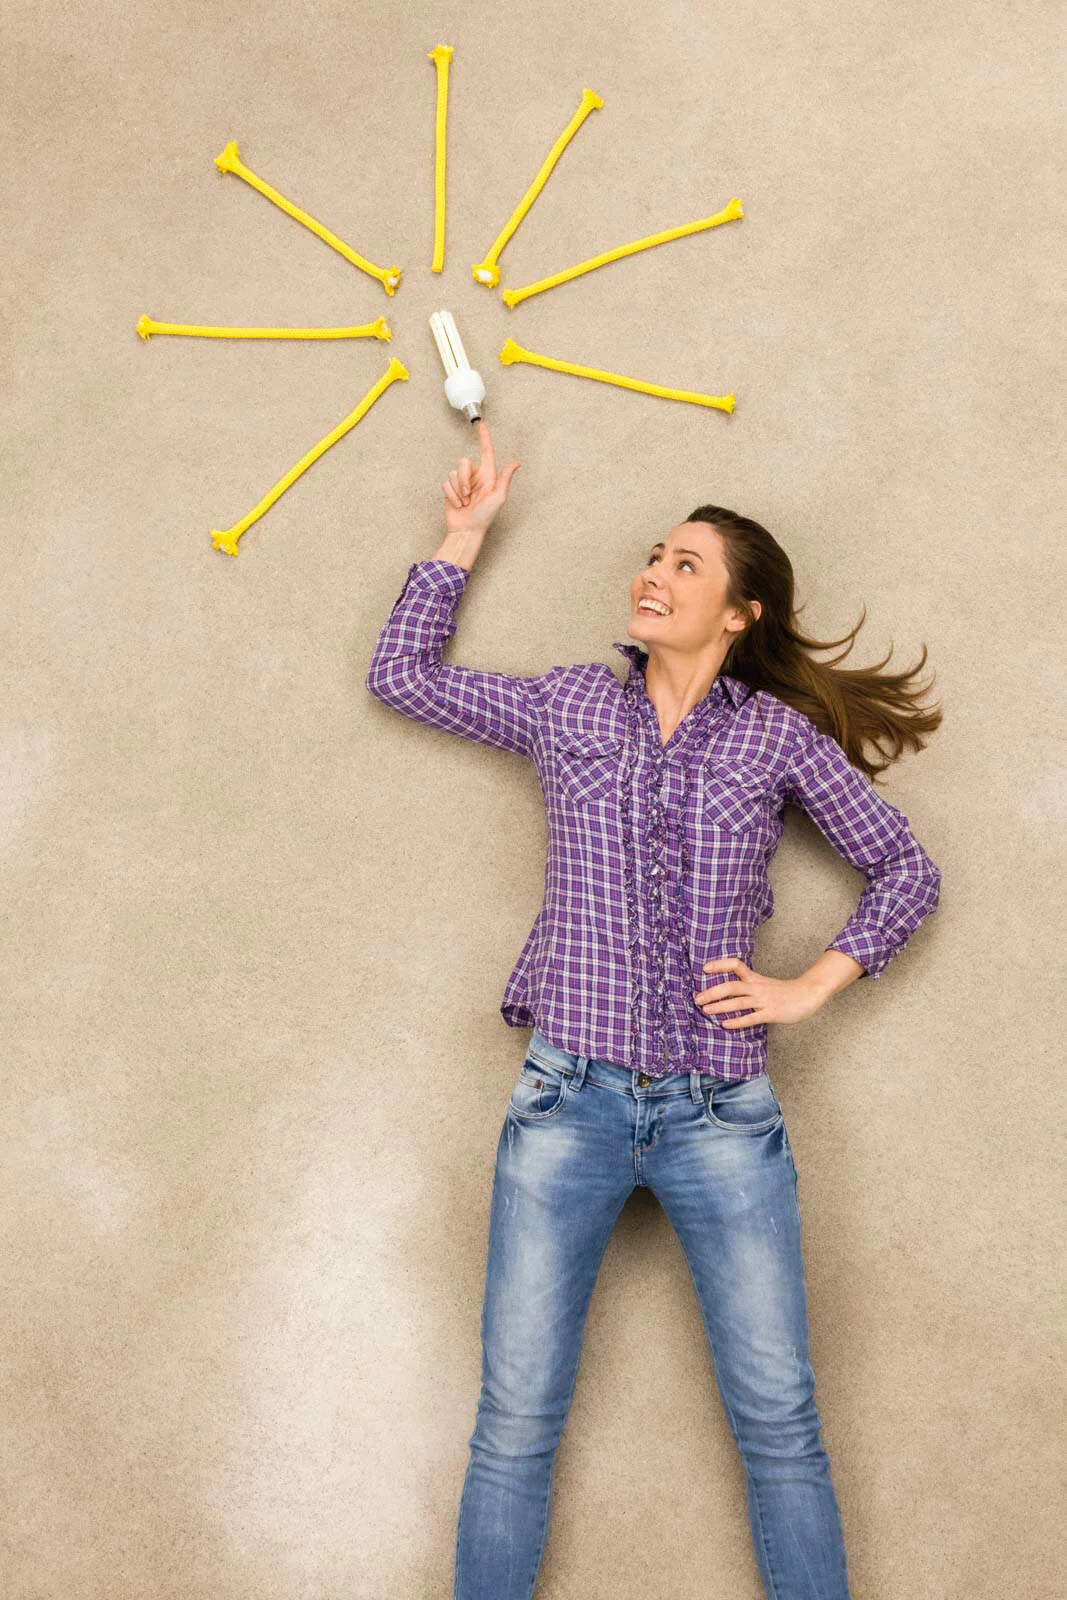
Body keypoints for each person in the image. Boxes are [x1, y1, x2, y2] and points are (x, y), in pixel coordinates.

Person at [365, 421, 943, 1600]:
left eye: (685, 564)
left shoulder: (773, 738)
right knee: (515, 1418)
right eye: (651, 554)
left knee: (778, 1421)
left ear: (739, 613)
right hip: (564, 1101)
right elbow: (402, 677)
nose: (653, 574)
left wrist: (808, 984)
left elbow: (906, 869)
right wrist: (460, 536)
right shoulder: (571, 702)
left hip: (719, 1116)